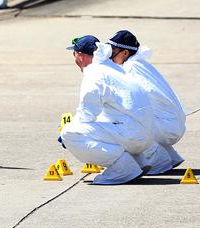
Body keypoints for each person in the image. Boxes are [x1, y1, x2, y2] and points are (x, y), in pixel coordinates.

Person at [60, 35, 155, 185]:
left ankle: (124, 169)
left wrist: (68, 131)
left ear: (80, 55)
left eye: (74, 54)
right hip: (146, 136)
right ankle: (138, 162)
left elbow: (87, 113)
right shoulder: (113, 68)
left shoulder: (94, 72)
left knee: (70, 134)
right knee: (104, 118)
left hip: (133, 134)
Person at [107, 30, 186, 172]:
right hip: (171, 124)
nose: (109, 56)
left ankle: (158, 161)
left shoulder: (131, 68)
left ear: (125, 53)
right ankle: (170, 155)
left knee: (116, 122)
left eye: (112, 52)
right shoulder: (139, 64)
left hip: (166, 127)